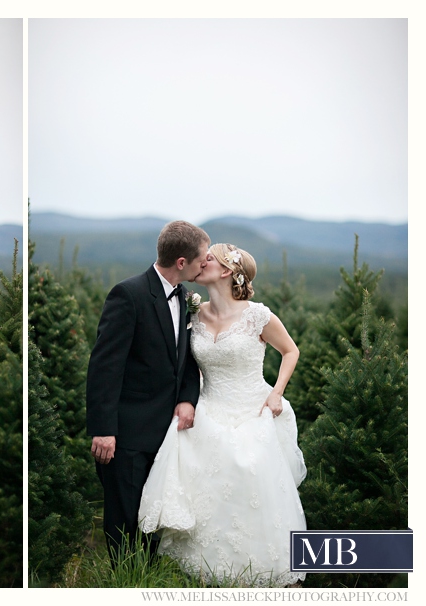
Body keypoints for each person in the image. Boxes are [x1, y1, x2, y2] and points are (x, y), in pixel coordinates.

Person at [138, 243, 307, 587]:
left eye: (210, 259)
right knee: (206, 490)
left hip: (252, 409)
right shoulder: (194, 313)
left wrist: (277, 393)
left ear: (228, 271)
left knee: (249, 481)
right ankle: (204, 574)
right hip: (209, 409)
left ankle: (254, 573)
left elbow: (291, 351)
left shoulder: (257, 315)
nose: (202, 263)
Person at [86, 220, 210, 562]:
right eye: (202, 258)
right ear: (182, 262)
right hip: (126, 432)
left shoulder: (186, 298)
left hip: (166, 432)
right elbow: (104, 367)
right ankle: (126, 583)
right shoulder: (128, 294)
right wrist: (103, 430)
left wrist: (187, 398)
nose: (206, 264)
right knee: (124, 517)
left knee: (153, 515)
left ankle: (149, 578)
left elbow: (186, 361)